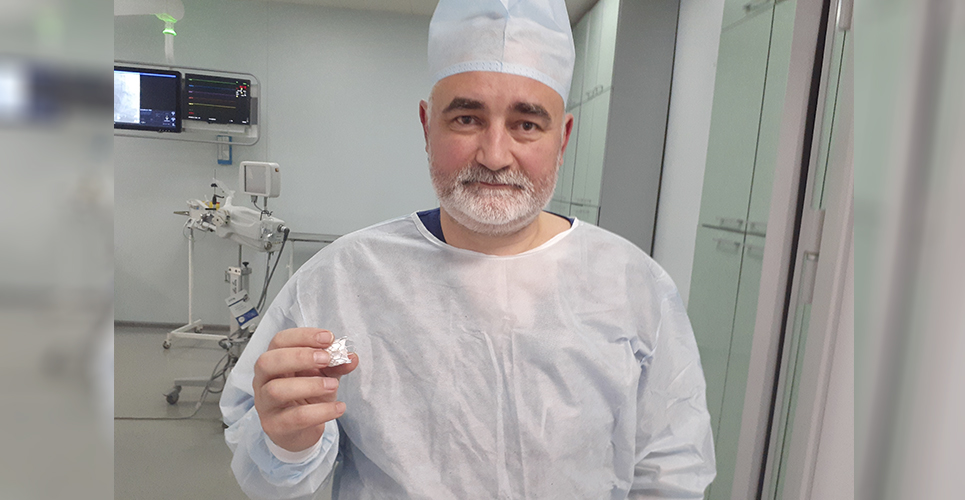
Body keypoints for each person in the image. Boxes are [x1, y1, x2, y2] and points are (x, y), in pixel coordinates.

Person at [221, 0, 716, 498]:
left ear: (563, 138)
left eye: (527, 124)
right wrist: (288, 442)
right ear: (426, 125)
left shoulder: (632, 287)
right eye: (466, 119)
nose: (495, 156)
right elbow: (268, 464)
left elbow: (671, 469)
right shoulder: (345, 280)